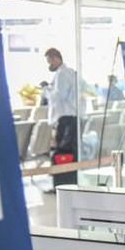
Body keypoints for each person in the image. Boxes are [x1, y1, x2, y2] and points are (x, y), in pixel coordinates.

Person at [42, 48, 79, 187]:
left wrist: (46, 90)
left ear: (56, 58)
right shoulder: (69, 72)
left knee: (62, 153)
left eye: (49, 61)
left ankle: (61, 184)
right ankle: (67, 183)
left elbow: (59, 96)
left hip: (65, 118)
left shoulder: (62, 74)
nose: (49, 65)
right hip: (70, 117)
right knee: (68, 153)